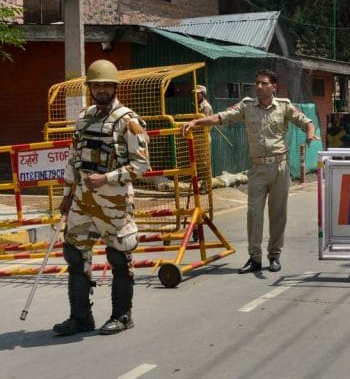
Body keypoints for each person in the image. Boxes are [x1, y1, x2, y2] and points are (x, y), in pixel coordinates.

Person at [181, 69, 318, 273]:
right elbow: (221, 117)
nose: (259, 87)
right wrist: (195, 122)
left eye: (264, 83)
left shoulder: (284, 107)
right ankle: (255, 258)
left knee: (278, 214)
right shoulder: (247, 107)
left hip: (280, 167)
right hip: (257, 168)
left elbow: (306, 122)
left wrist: (310, 133)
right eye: (257, 83)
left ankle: (274, 256)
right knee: (254, 214)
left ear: (274, 86)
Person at [54, 60, 150, 336]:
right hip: (82, 200)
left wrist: (107, 178)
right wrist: (67, 194)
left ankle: (122, 316)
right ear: (90, 89)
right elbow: (73, 158)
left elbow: (141, 166)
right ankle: (80, 317)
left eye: (107, 85)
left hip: (114, 202)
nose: (102, 90)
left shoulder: (129, 121)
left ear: (115, 87)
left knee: (118, 257)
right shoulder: (84, 117)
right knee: (74, 254)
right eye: (97, 85)